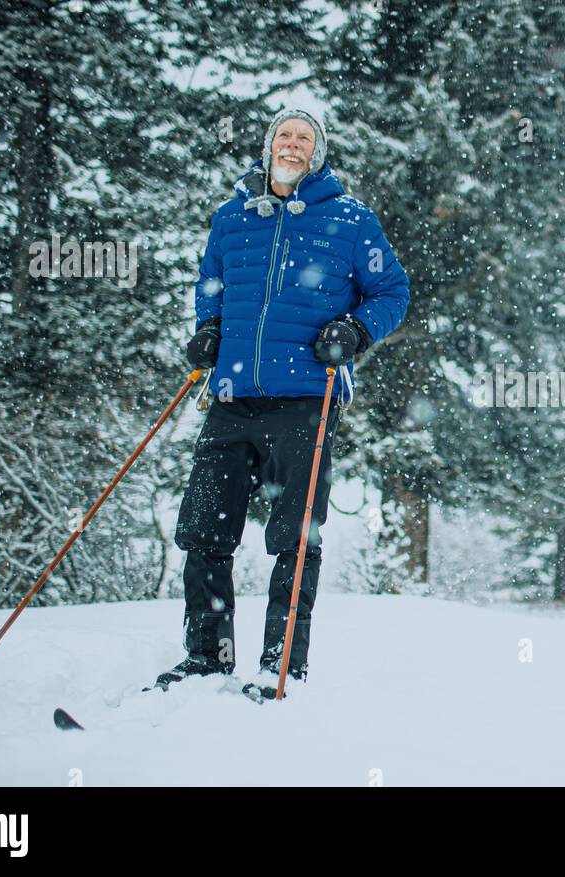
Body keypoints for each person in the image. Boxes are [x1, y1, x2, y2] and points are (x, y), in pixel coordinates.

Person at [159, 107, 410, 695]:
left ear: (317, 153)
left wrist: (355, 331)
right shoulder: (231, 218)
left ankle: (280, 669)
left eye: (304, 138)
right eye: (284, 135)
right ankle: (208, 659)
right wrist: (210, 329)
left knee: (295, 541)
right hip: (232, 397)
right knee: (202, 531)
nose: (292, 145)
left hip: (307, 400)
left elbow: (392, 291)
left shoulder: (350, 220)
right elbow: (212, 285)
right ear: (268, 146)